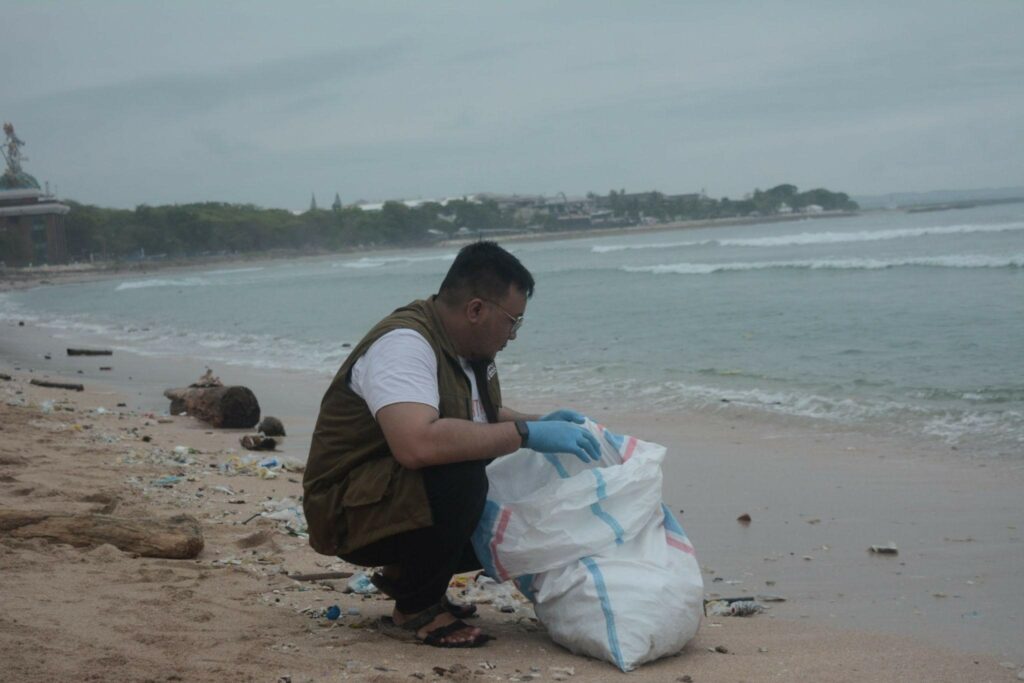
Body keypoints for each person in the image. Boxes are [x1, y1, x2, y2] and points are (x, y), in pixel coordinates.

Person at [303, 241, 600, 648]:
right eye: (512, 321)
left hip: (385, 496)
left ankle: (410, 578)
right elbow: (417, 444)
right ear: (476, 309)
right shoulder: (405, 346)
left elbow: (477, 416)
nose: (513, 336)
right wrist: (525, 437)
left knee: (512, 488)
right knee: (462, 472)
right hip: (343, 512)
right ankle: (416, 608)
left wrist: (539, 424)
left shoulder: (466, 351)